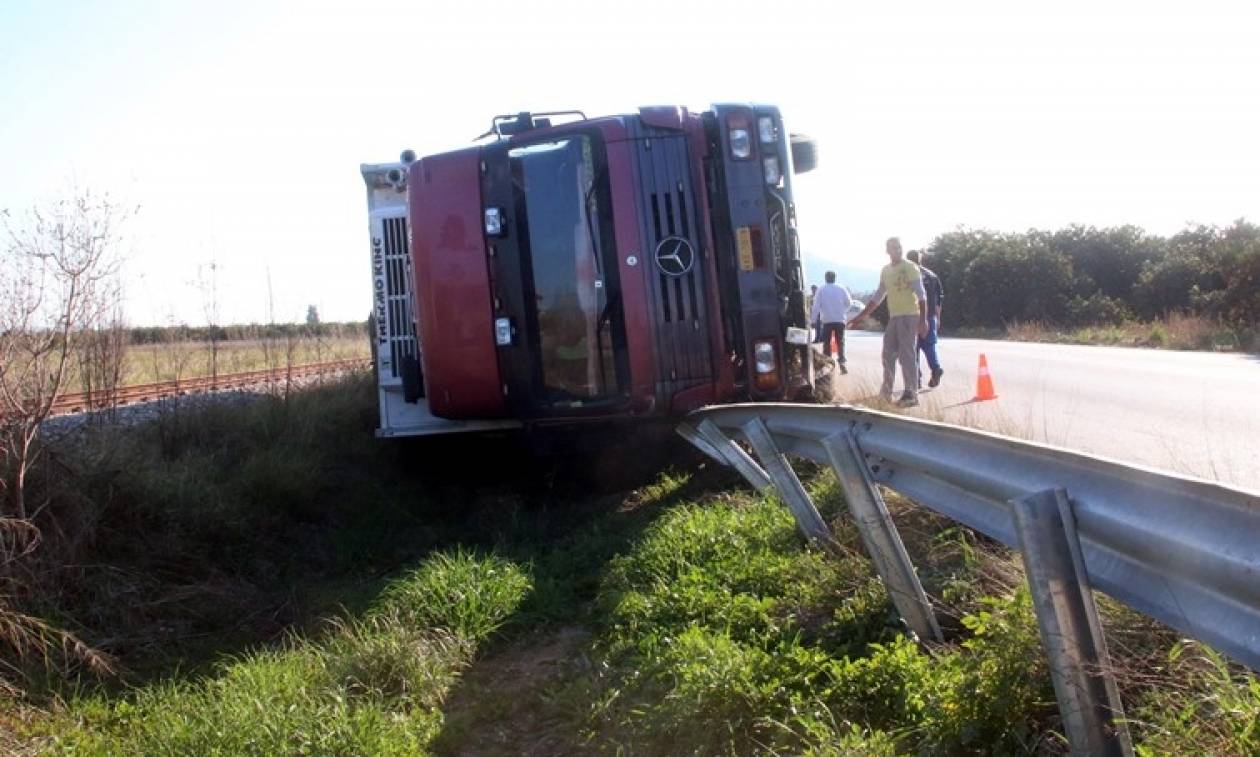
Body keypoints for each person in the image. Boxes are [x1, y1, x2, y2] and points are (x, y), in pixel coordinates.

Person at [848, 237, 928, 406]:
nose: (896, 250)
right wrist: (861, 316)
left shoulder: (910, 267)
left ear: (901, 248)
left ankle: (911, 393)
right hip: (895, 316)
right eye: (893, 248)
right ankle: (886, 392)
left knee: (907, 355)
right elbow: (878, 296)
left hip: (909, 315)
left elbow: (921, 295)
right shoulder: (886, 270)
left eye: (898, 247)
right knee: (888, 354)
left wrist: (923, 320)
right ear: (887, 251)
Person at [906, 250, 944, 388]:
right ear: (920, 259)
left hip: (912, 314)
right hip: (930, 315)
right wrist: (937, 317)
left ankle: (916, 379)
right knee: (929, 346)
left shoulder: (906, 274)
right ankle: (936, 368)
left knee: (911, 348)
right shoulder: (932, 275)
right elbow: (939, 299)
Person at [810, 272, 852, 372]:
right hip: (839, 320)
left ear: (825, 278)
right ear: (835, 278)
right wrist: (842, 311)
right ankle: (842, 363)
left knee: (826, 343)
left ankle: (827, 364)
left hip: (827, 320)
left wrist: (813, 320)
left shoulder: (821, 289)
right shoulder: (841, 289)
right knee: (840, 342)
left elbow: (816, 306)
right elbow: (849, 303)